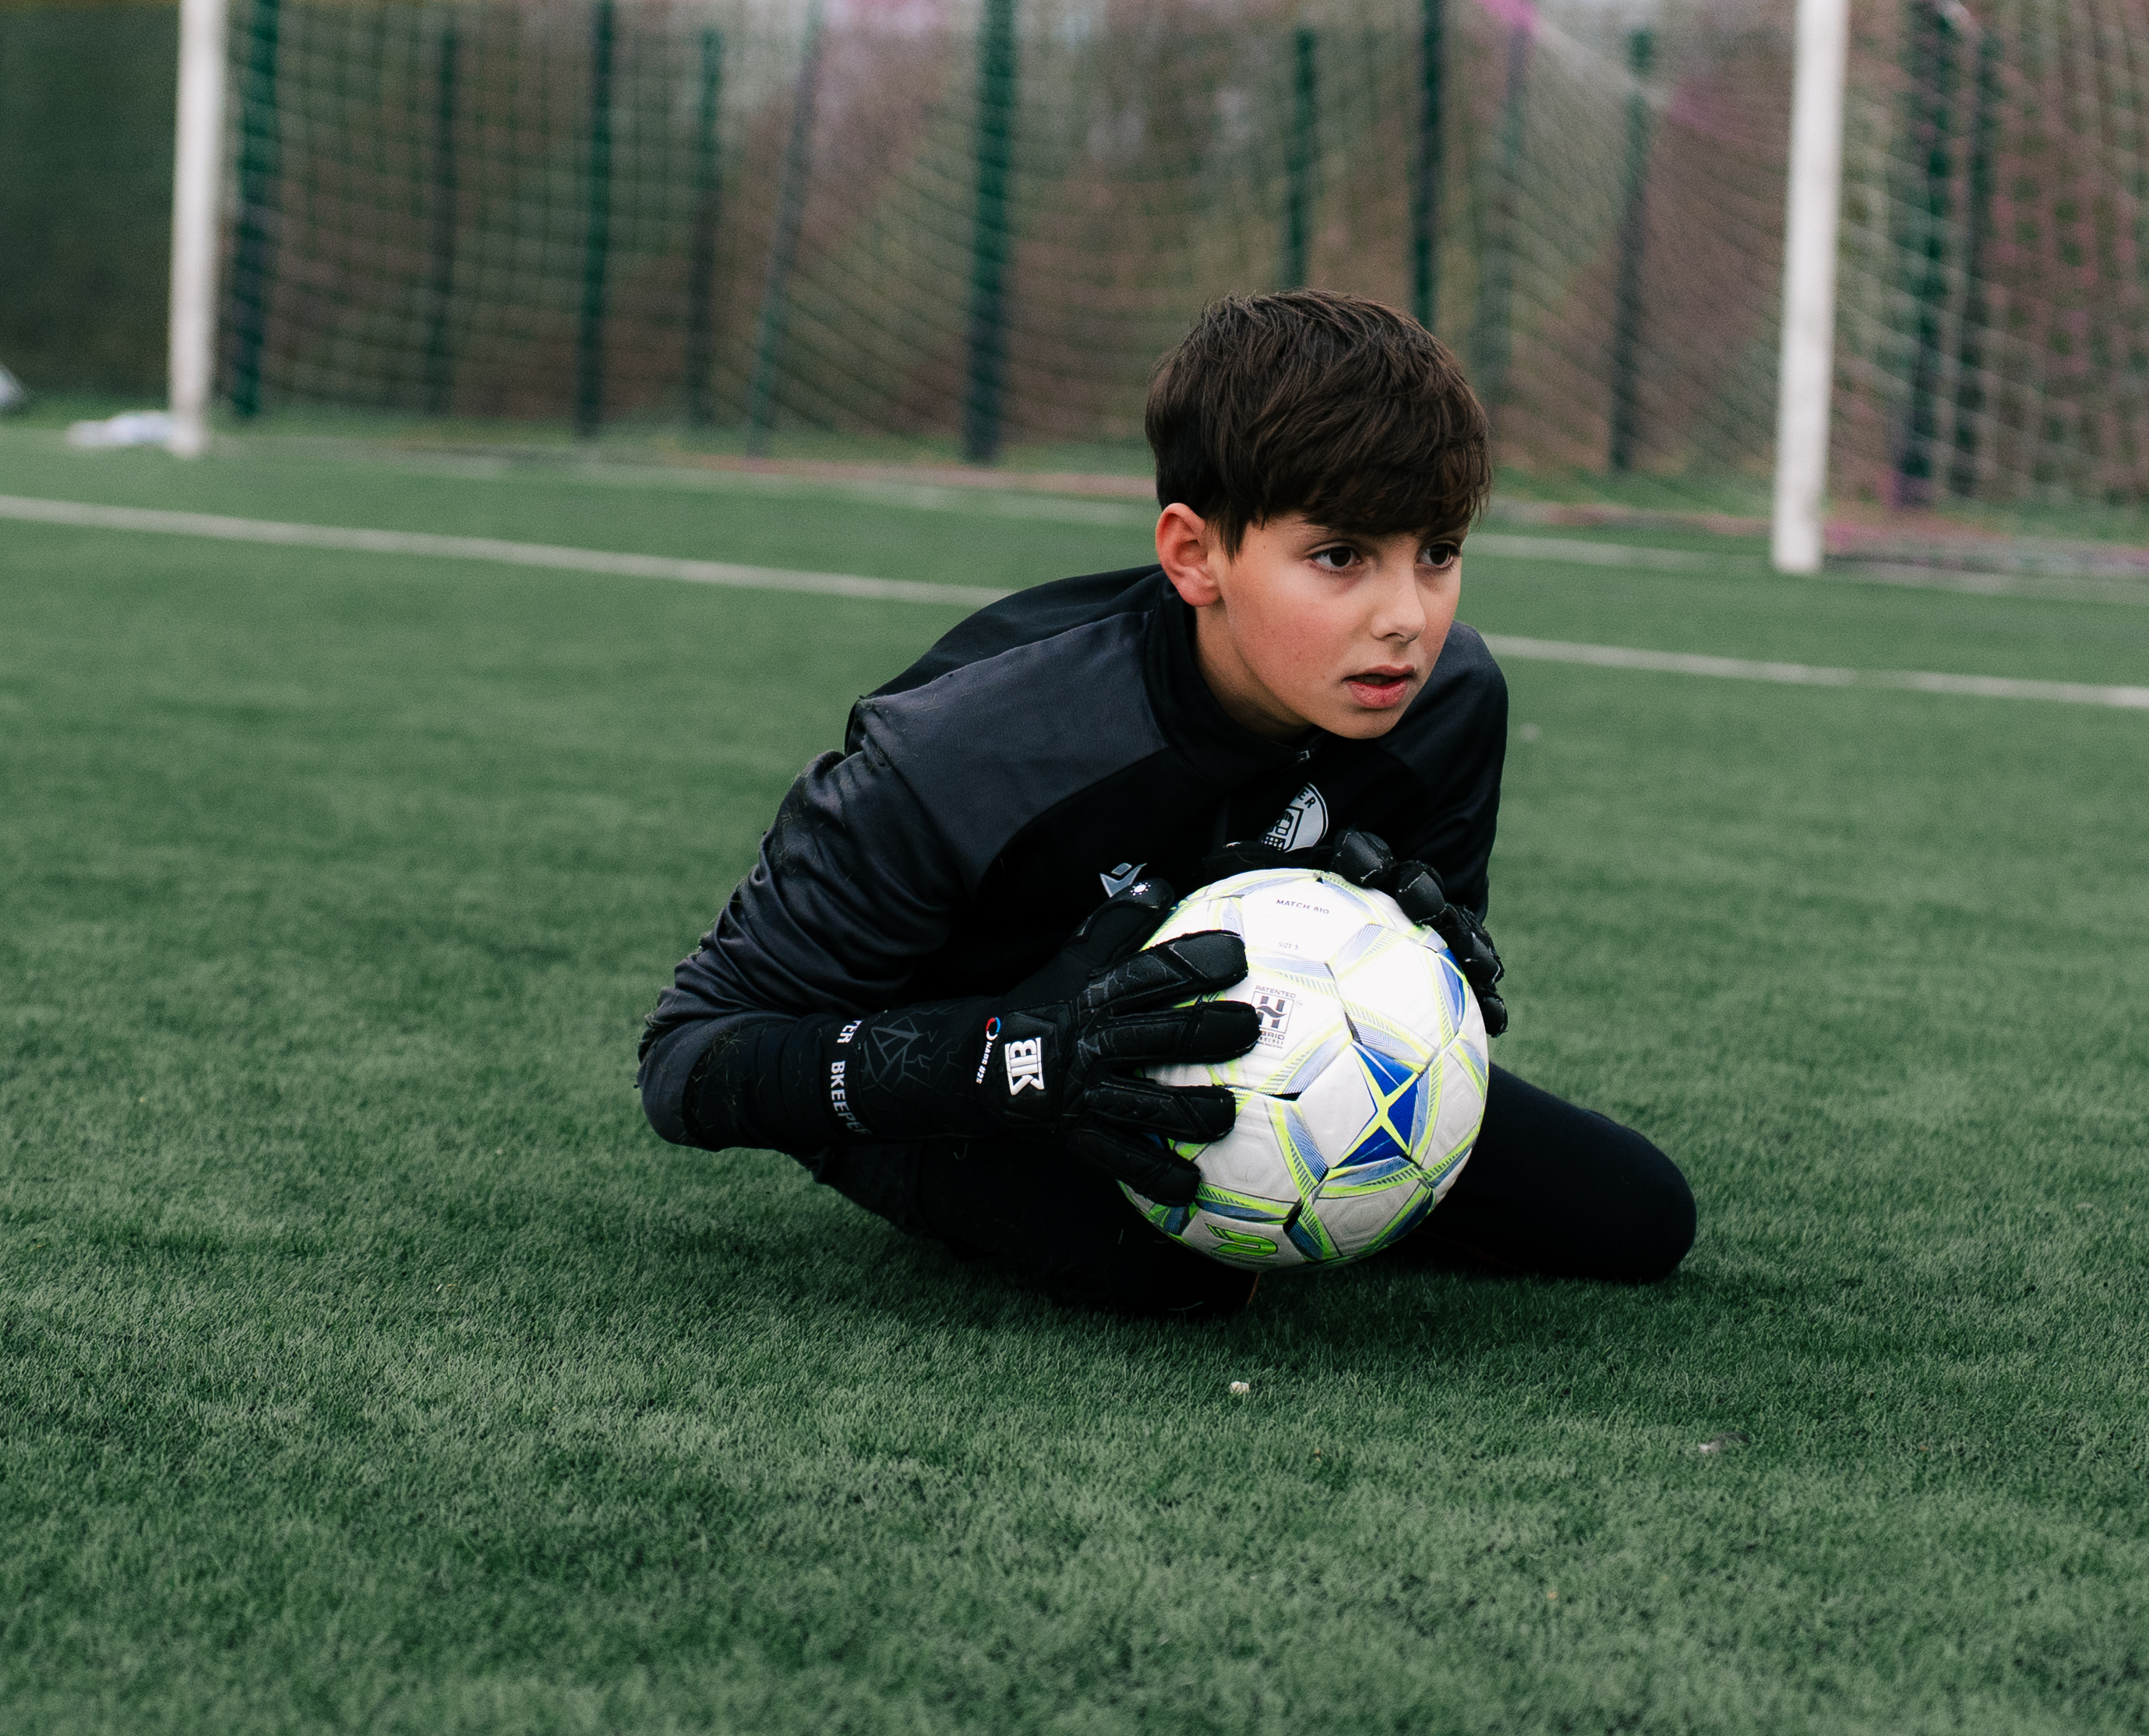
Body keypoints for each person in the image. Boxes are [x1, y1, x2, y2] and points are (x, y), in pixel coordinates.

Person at [636, 288, 1697, 1318]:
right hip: (958, 1080)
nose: (1406, 618)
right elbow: (690, 1059)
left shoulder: (1447, 705)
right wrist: (1025, 1059)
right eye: (1340, 557)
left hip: (1225, 1055)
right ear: (1197, 554)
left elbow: (1409, 980)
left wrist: (1432, 978)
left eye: (1437, 554)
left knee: (1638, 1219)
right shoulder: (966, 747)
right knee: (1176, 1273)